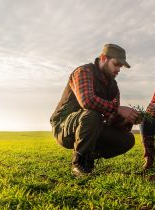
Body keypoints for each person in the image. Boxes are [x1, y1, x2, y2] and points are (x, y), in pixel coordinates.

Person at [50, 43, 140, 177]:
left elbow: (111, 120)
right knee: (93, 113)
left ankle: (89, 156)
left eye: (120, 67)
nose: (118, 70)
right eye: (116, 64)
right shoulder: (83, 72)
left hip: (92, 128)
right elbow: (87, 101)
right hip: (63, 128)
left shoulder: (113, 87)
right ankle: (79, 163)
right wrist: (118, 109)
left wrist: (127, 120)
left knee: (128, 139)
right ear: (104, 58)